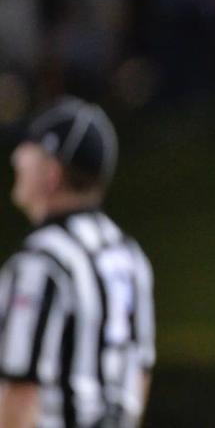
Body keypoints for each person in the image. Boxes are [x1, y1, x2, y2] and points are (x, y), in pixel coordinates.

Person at [0, 97, 156, 427]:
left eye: (28, 151)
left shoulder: (41, 263)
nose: (16, 158)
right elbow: (139, 375)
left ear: (51, 173)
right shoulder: (129, 256)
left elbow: (21, 389)